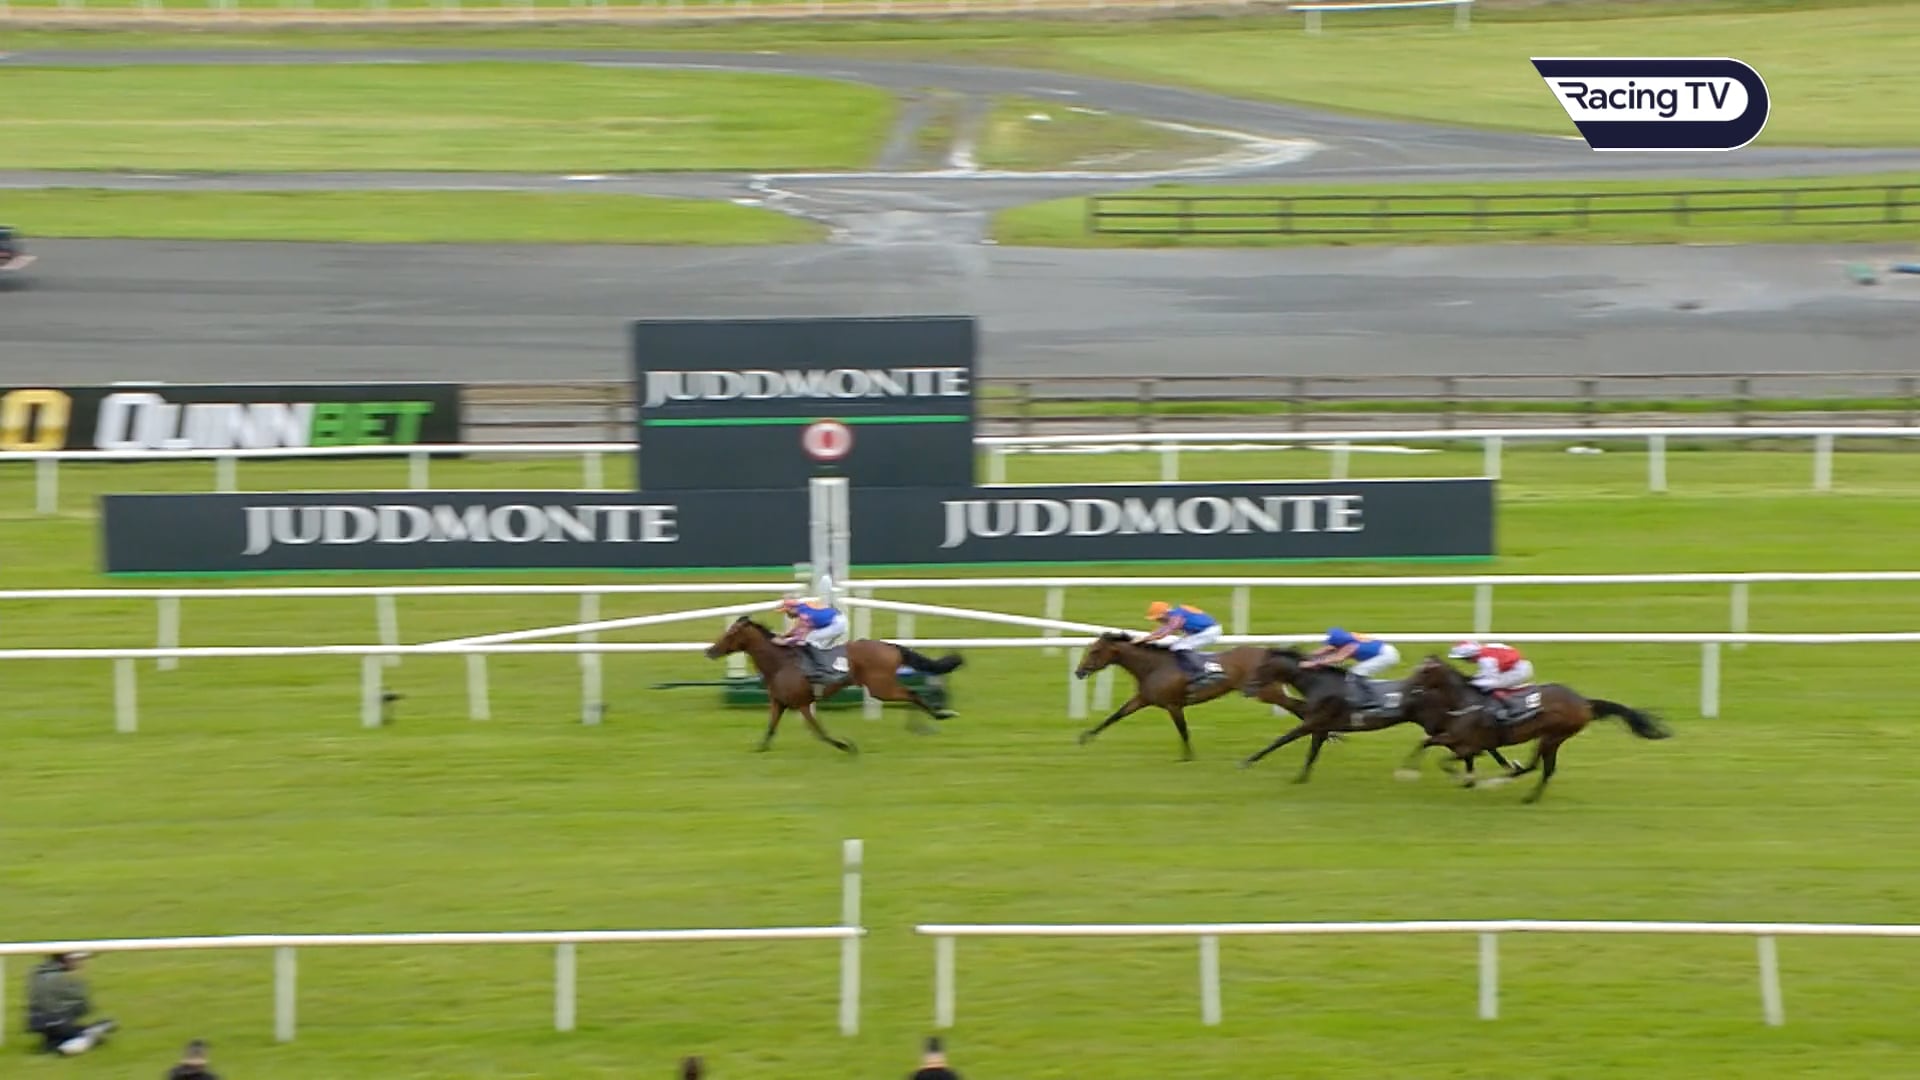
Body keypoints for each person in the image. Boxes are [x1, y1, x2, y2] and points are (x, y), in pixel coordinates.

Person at [26, 951, 116, 1056]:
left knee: (54, 1040)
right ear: (67, 959)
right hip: (59, 1022)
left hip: (37, 1023)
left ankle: (56, 1042)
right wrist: (79, 978)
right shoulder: (64, 978)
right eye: (77, 960)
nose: (80, 963)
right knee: (89, 1035)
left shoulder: (38, 973)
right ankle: (89, 1033)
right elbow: (83, 1006)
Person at [1305, 627, 1401, 711]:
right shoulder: (1347, 638)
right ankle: (1364, 693)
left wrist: (1313, 663)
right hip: (1385, 650)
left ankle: (1373, 700)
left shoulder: (1350, 646)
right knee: (1355, 672)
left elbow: (1337, 659)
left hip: (1387, 656)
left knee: (1357, 672)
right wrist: (1307, 656)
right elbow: (1328, 649)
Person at [1448, 640, 1537, 722]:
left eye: (1465, 659)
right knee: (1484, 683)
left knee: (1489, 686)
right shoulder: (1487, 649)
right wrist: (1474, 679)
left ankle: (1513, 706)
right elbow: (1486, 673)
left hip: (1519, 672)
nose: (1466, 661)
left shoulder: (1485, 659)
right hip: (1517, 667)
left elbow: (1489, 679)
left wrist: (1471, 682)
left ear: (1470, 655)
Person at [1141, 601, 1224, 682]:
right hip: (1202, 631)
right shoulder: (1175, 614)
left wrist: (1146, 639)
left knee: (1180, 647)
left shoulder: (1177, 615)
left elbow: (1166, 631)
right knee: (1176, 646)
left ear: (1165, 614)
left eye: (1158, 618)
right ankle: (1192, 671)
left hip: (1209, 630)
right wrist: (1147, 638)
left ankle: (1207, 669)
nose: (1158, 620)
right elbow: (1162, 629)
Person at [773, 596, 849, 678]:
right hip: (835, 619)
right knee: (817, 644)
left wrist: (784, 641)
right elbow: (797, 628)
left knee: (809, 640)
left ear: (793, 609)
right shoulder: (804, 606)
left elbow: (800, 637)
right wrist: (785, 635)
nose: (787, 614)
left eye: (787, 612)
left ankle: (823, 669)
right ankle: (828, 664)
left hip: (837, 624)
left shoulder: (804, 616)